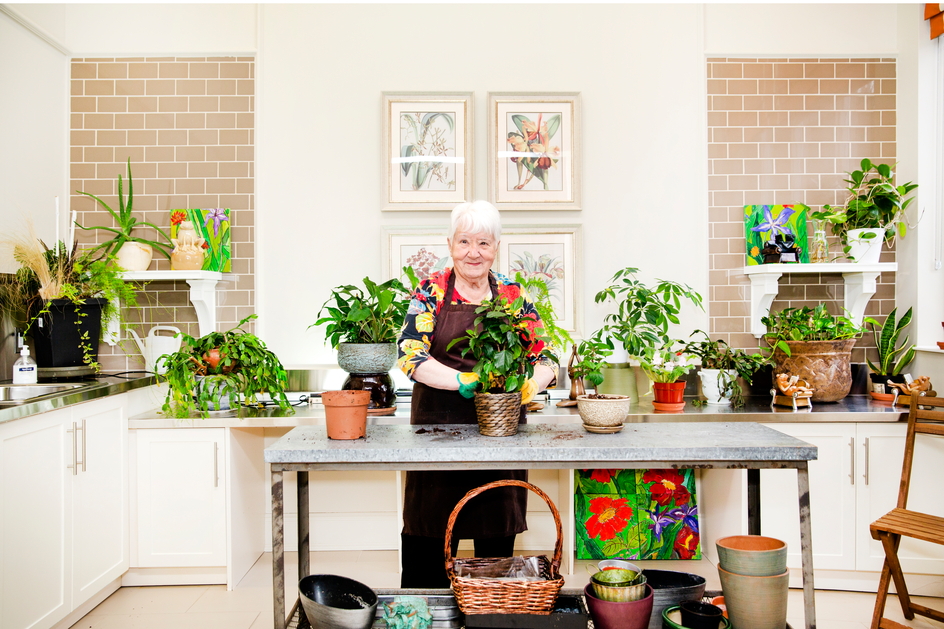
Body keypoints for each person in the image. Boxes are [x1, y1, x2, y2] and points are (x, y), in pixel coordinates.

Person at [396, 200, 558, 588]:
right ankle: (425, 610)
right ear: (450, 243)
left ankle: (491, 612)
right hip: (438, 434)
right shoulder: (432, 289)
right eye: (464, 241)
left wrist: (532, 383)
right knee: (428, 535)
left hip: (500, 438)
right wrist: (462, 381)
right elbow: (409, 354)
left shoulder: (512, 295)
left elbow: (547, 357)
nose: (473, 252)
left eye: (483, 243)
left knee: (495, 543)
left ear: (496, 247)